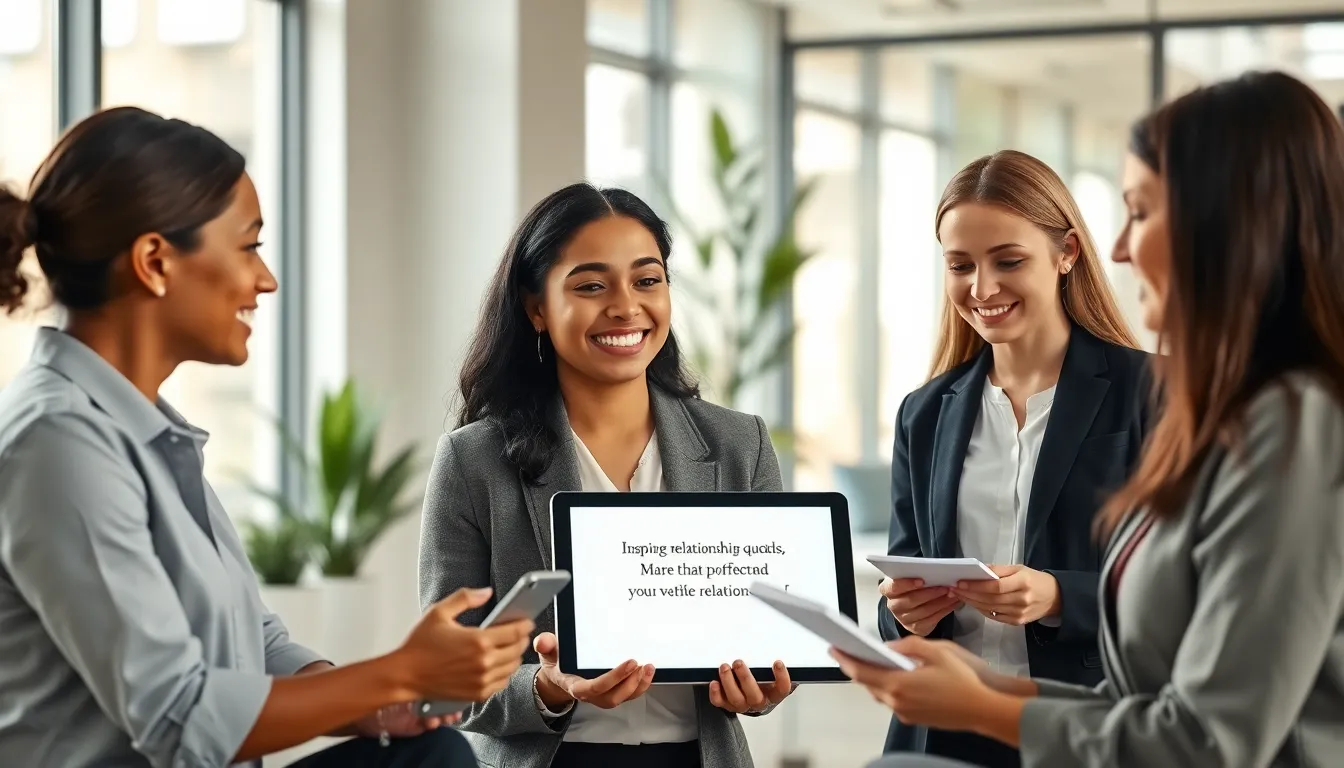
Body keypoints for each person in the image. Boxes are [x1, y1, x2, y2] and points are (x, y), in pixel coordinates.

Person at [0, 106, 534, 768]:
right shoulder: (57, 444)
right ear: (155, 261)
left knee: (431, 755)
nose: (266, 279)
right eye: (249, 246)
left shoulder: (143, 429)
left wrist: (380, 703)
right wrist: (398, 670)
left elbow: (251, 641)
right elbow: (181, 720)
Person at [845, 70, 1344, 768]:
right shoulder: (929, 410)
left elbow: (1206, 739)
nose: (1119, 248)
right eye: (960, 264)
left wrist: (995, 693)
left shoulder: (1288, 424)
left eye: (1140, 212)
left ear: (1224, 224)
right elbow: (1150, 698)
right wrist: (970, 679)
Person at [418, 182, 795, 768]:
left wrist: (768, 682)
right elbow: (443, 676)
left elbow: (772, 636)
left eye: (648, 280)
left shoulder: (738, 444)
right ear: (535, 307)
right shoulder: (474, 462)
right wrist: (547, 688)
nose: (625, 306)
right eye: (591, 286)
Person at [875, 149, 1150, 767]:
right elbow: (904, 584)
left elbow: (1193, 590)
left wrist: (1059, 597)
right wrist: (903, 615)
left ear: (1067, 253)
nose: (982, 288)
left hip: (1088, 730)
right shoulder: (925, 414)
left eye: (1009, 260)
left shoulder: (1152, 394)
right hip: (944, 739)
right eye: (960, 265)